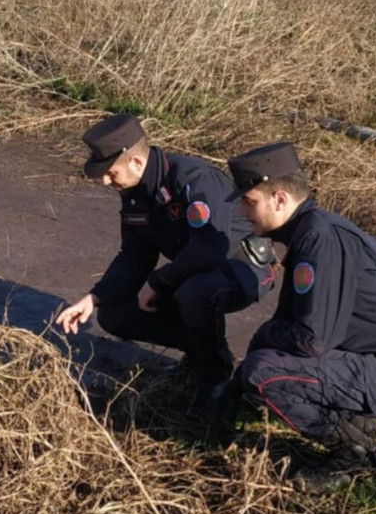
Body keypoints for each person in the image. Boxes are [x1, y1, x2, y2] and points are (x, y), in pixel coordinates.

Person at [226, 141, 376, 489]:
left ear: (280, 199)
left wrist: (256, 362)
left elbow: (312, 341)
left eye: (249, 201)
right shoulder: (308, 232)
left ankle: (360, 453)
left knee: (264, 374)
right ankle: (359, 432)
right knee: (266, 352)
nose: (242, 212)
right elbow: (290, 323)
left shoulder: (320, 240)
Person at [55, 113, 276, 418]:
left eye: (111, 172)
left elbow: (210, 248)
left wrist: (159, 282)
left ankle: (216, 377)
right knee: (114, 314)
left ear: (134, 162)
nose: (105, 181)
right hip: (192, 274)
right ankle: (200, 351)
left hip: (243, 269)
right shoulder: (135, 193)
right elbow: (134, 256)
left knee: (195, 292)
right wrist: (93, 297)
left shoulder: (193, 179)